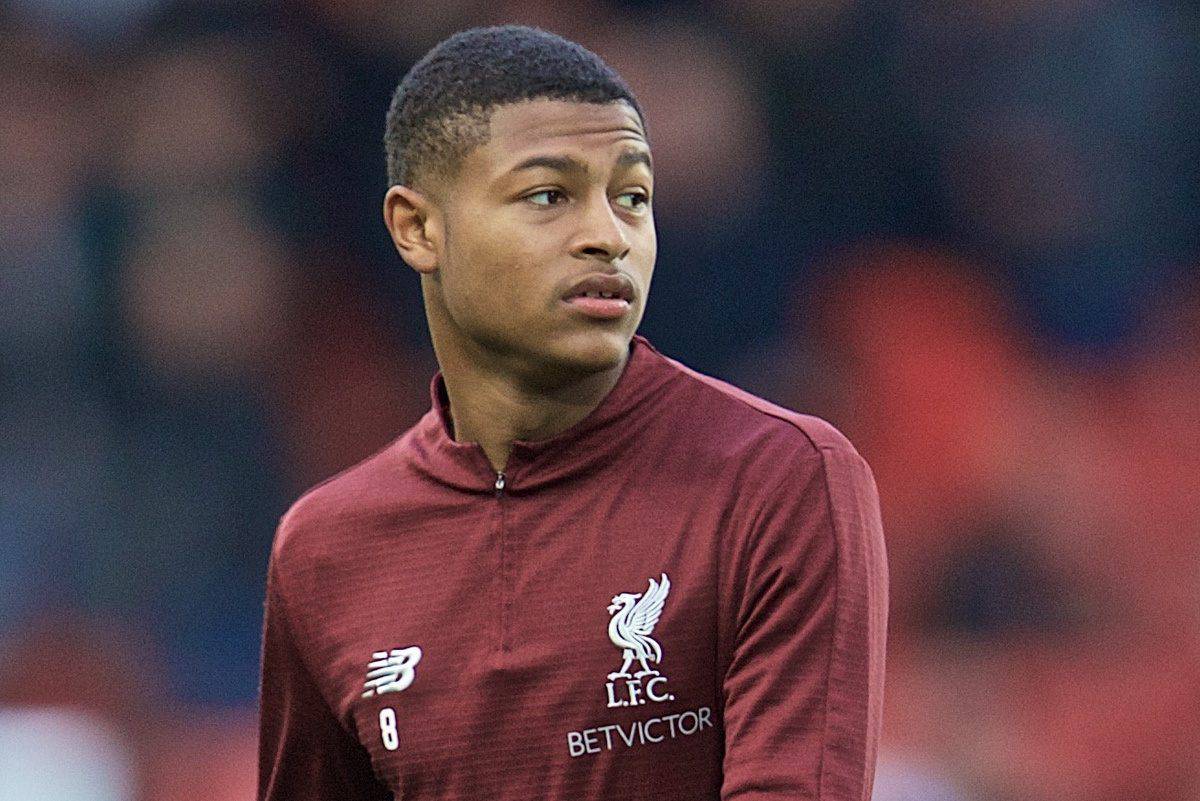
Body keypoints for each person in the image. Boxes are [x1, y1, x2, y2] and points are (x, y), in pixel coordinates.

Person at [257, 25, 887, 801]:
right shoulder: (326, 551)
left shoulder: (779, 479)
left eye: (633, 197)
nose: (607, 236)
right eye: (549, 195)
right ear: (417, 228)